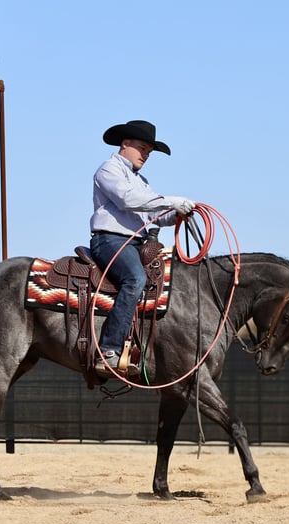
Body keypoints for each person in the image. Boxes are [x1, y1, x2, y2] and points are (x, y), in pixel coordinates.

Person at [90, 120, 196, 378]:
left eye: (149, 151)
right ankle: (109, 350)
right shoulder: (108, 169)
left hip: (136, 241)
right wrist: (172, 201)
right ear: (125, 144)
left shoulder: (141, 180)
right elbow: (128, 200)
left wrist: (177, 214)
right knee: (135, 278)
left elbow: (154, 215)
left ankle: (141, 348)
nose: (145, 155)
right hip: (111, 240)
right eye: (142, 148)